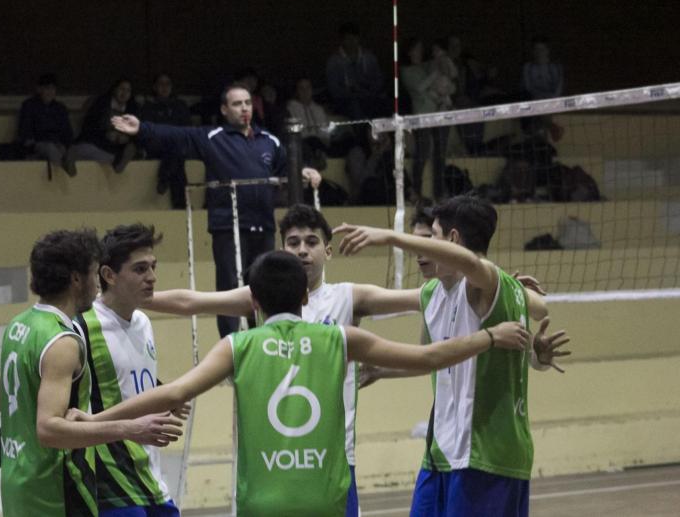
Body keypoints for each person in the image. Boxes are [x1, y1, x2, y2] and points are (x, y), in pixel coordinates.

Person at [136, 203, 556, 516]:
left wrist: (513, 291)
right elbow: (191, 300)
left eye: (312, 242)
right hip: (273, 456)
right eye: (293, 243)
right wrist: (136, 295)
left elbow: (462, 304)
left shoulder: (350, 298)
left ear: (329, 251)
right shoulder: (262, 295)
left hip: (335, 456)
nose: (302, 251)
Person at [333, 193, 571, 517]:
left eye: (431, 237)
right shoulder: (432, 293)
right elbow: (433, 358)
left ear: (453, 239)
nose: (424, 249)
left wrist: (388, 236)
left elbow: (473, 264)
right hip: (442, 452)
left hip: (487, 453)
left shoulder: (485, 282)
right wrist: (380, 370)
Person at [0, 225, 187, 515]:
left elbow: (6, 403)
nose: (97, 283)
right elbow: (49, 428)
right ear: (78, 278)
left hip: (20, 486)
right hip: (56, 489)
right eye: (93, 272)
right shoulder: (64, 340)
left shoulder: (19, 326)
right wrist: (131, 428)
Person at [110, 83, 321, 338]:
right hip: (227, 226)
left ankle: (266, 340)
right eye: (236, 104)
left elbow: (287, 166)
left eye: (247, 103)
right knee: (229, 289)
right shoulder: (213, 137)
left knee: (267, 286)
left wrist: (303, 171)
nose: (244, 108)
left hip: (263, 225)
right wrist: (141, 128)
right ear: (224, 109)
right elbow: (177, 136)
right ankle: (232, 348)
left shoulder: (270, 140)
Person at [401, 38, 455, 202]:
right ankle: (416, 191)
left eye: (421, 50)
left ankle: (439, 192)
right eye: (417, 49)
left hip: (439, 115)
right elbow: (419, 87)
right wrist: (435, 73)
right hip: (421, 117)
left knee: (440, 154)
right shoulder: (407, 71)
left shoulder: (428, 66)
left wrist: (441, 63)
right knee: (423, 152)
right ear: (410, 52)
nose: (420, 53)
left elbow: (450, 84)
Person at [67, 78, 141, 176]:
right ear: (115, 89)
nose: (124, 93)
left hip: (118, 147)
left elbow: (137, 131)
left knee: (133, 148)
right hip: (98, 142)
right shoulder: (102, 103)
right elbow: (89, 126)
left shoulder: (133, 107)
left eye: (128, 90)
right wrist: (106, 134)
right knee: (86, 149)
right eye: (121, 89)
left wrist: (125, 138)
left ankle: (120, 162)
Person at [140, 73, 192, 209]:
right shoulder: (148, 108)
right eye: (160, 84)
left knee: (176, 155)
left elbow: (186, 128)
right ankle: (183, 205)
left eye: (167, 84)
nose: (164, 87)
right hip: (157, 145)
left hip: (177, 146)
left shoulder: (180, 106)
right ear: (155, 87)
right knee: (177, 157)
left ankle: (164, 177)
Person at [326, 22, 387, 120]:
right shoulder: (334, 62)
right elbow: (334, 90)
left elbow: (379, 81)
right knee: (355, 107)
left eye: (354, 38)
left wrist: (368, 90)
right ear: (342, 40)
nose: (351, 42)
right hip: (346, 101)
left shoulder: (369, 57)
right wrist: (352, 92)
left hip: (370, 97)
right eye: (348, 39)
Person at [17, 73, 74, 171]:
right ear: (39, 89)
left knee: (74, 151)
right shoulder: (29, 106)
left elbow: (67, 132)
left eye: (53, 89)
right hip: (39, 143)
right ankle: (61, 173)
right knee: (50, 149)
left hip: (58, 144)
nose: (50, 92)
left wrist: (64, 145)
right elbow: (25, 131)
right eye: (47, 88)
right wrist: (33, 144)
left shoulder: (60, 108)